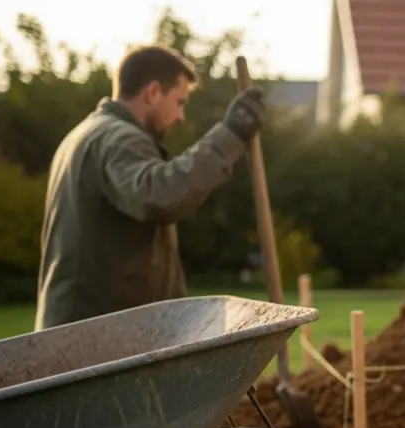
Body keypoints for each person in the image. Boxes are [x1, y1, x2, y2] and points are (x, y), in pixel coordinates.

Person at [34, 44, 266, 330]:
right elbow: (160, 195)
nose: (181, 117)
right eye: (180, 102)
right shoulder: (118, 138)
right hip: (95, 337)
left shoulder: (86, 134)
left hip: (85, 331)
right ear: (153, 92)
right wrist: (232, 133)